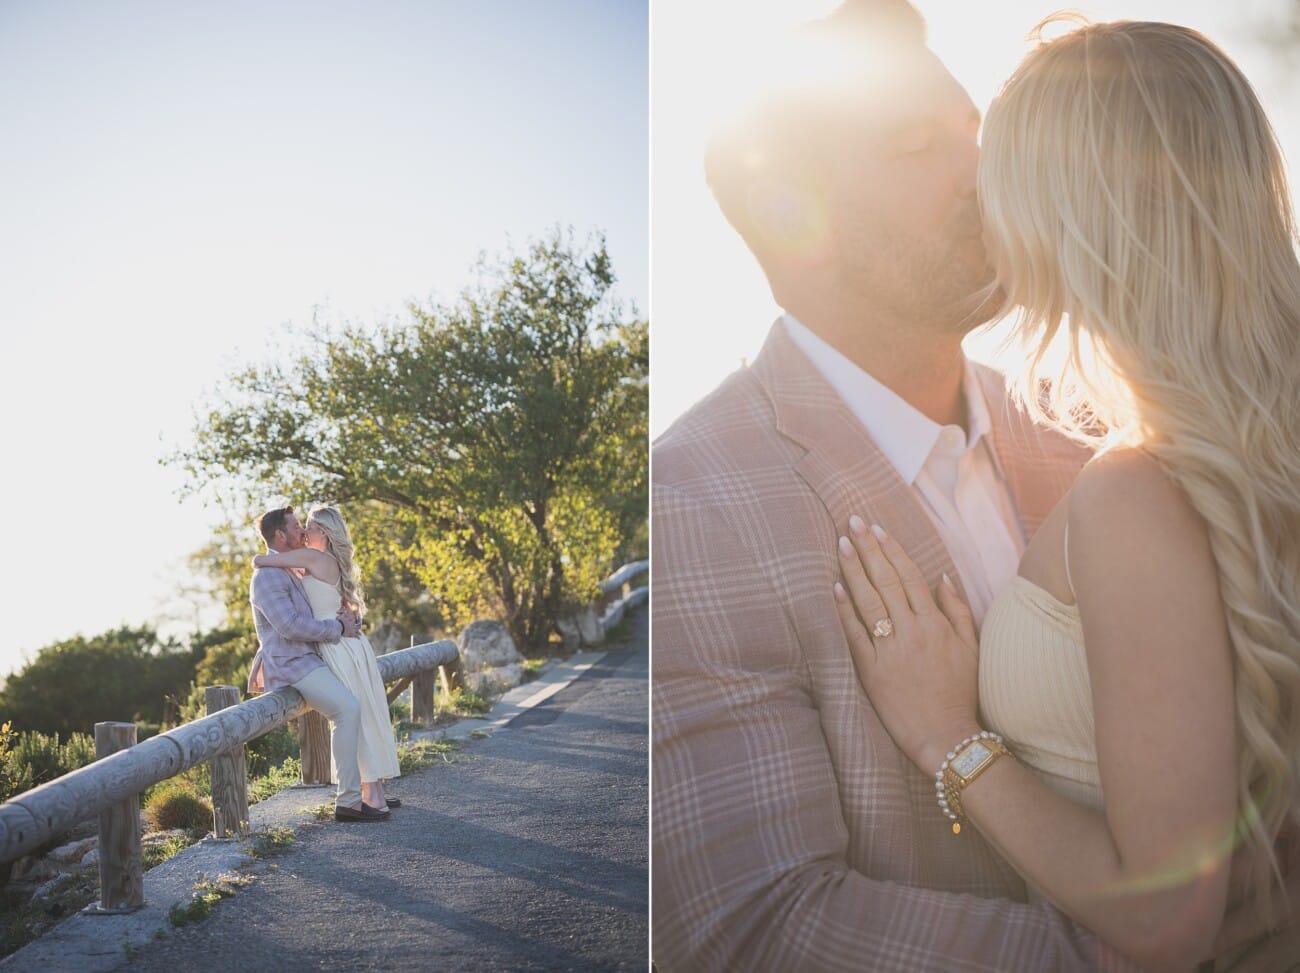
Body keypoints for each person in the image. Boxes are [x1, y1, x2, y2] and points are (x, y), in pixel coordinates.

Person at [650, 2, 1294, 969]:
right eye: (920, 146)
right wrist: (1133, 952)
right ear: (795, 217)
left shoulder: (1100, 422)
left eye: (975, 132)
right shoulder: (695, 502)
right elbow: (753, 927)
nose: (986, 174)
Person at [253, 504, 402, 811]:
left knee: (354, 710)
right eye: (297, 526)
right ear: (280, 535)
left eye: (306, 526)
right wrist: (341, 624)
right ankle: (362, 793)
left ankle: (364, 793)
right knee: (355, 709)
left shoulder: (301, 563)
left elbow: (316, 606)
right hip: (310, 656)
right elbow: (290, 625)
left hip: (331, 649)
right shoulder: (273, 574)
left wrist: (343, 623)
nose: (303, 531)